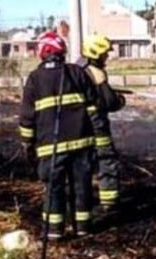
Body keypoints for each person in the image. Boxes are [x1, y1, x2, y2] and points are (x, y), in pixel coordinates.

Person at [18, 31, 104, 239]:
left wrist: (27, 143)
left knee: (53, 188)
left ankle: (54, 231)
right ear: (62, 52)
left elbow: (27, 116)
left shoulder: (35, 79)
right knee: (82, 186)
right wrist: (99, 138)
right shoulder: (76, 73)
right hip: (82, 144)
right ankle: (83, 227)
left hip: (50, 147)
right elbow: (94, 106)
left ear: (43, 52)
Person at [77, 34, 126, 213]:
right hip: (96, 123)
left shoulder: (77, 68)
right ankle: (109, 202)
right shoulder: (96, 73)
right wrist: (120, 100)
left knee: (83, 162)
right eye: (104, 53)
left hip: (77, 125)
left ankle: (82, 200)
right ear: (95, 53)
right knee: (106, 159)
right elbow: (109, 102)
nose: (107, 57)